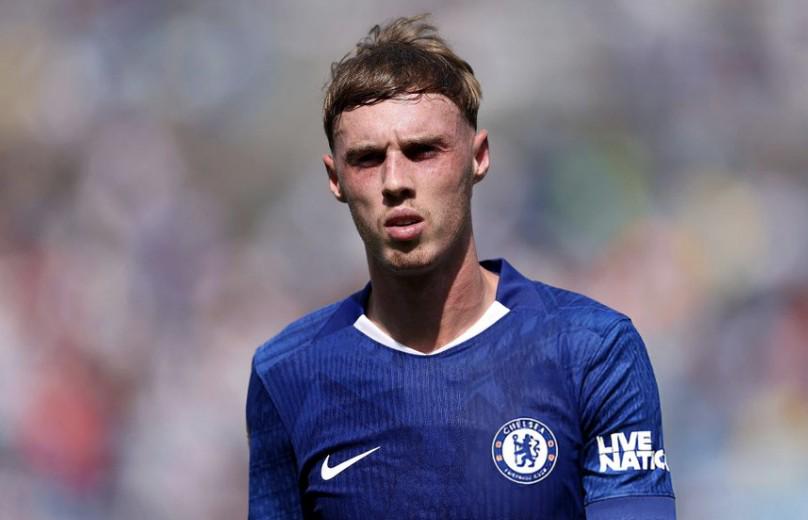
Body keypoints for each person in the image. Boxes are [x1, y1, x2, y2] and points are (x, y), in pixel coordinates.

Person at [246, 14, 675, 519]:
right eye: (367, 158)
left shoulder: (591, 351)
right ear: (336, 178)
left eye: (423, 151)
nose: (395, 181)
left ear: (478, 157)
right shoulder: (288, 372)